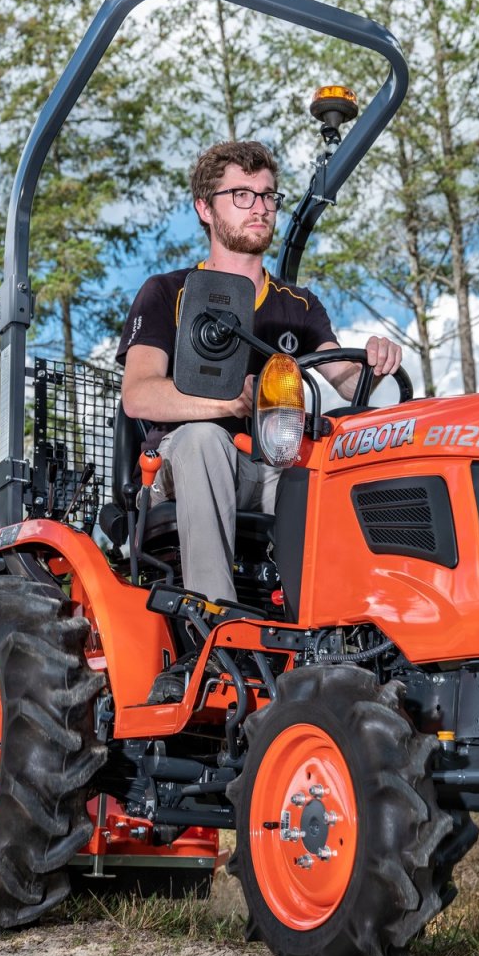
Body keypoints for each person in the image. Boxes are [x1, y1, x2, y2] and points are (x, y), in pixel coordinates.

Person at [116, 140, 402, 608]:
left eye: (268, 196)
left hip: (269, 463)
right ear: (205, 209)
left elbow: (349, 384)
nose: (261, 208)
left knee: (333, 472)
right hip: (183, 463)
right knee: (205, 438)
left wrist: (374, 360)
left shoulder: (298, 305)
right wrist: (228, 403)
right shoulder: (169, 292)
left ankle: (340, 627)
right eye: (242, 195)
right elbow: (140, 396)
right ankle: (214, 619)